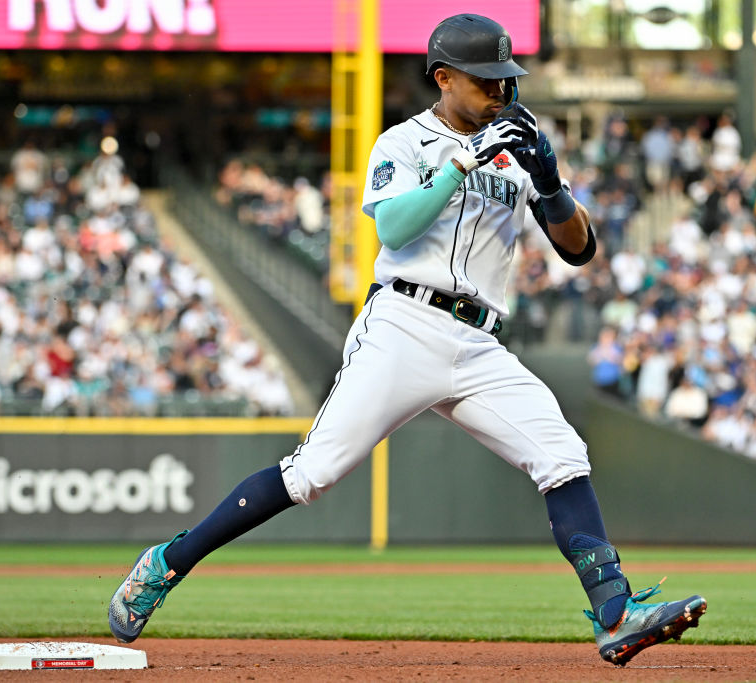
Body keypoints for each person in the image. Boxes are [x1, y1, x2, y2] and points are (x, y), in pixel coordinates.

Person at [107, 13, 706, 667]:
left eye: (507, 79)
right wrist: (463, 163)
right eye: (486, 80)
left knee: (562, 453)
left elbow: (579, 249)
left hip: (480, 341)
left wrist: (552, 184)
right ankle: (166, 563)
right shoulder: (405, 142)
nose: (501, 92)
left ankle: (615, 614)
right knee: (312, 474)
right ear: (444, 78)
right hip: (404, 324)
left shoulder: (517, 145)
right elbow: (394, 228)